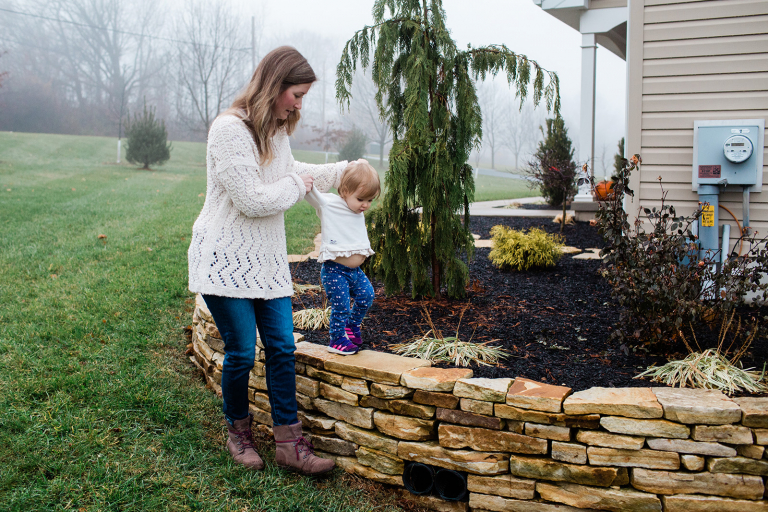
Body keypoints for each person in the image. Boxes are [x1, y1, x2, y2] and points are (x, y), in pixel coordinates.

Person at [187, 46, 347, 475]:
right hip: (223, 260)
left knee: (281, 347)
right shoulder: (228, 129)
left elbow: (292, 173)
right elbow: (253, 200)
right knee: (240, 352)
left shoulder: (277, 130)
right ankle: (238, 434)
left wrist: (345, 171)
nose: (299, 103)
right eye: (296, 94)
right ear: (274, 85)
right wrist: (299, 183)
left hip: (267, 261)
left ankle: (290, 445)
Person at [305, 161, 380, 355]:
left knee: (367, 295)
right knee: (342, 305)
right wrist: (305, 183)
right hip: (335, 271)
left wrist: (361, 165)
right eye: (362, 199)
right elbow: (311, 193)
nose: (366, 205)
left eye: (370, 200)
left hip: (354, 271)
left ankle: (351, 326)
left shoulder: (356, 208)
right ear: (345, 191)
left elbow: (360, 174)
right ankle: (336, 338)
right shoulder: (329, 203)